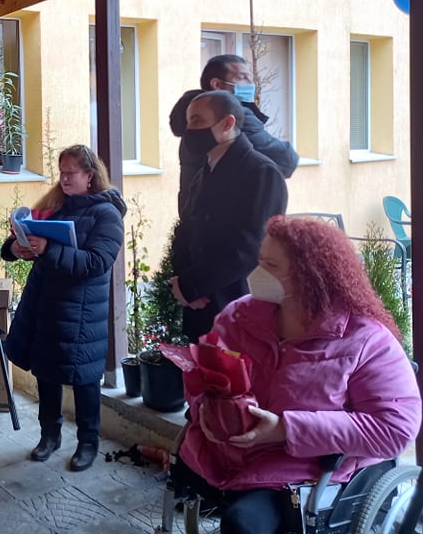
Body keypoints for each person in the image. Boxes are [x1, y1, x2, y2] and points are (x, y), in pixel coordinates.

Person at [174, 215, 422, 534]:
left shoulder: (367, 340)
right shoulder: (237, 316)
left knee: (242, 524)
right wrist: (207, 412)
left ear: (309, 276)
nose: (257, 273)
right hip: (223, 453)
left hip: (300, 469)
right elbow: (203, 374)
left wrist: (286, 429)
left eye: (271, 266)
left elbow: (395, 429)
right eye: (260, 260)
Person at [0, 144, 125, 473]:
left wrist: (49, 249)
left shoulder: (107, 214)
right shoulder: (55, 204)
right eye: (62, 172)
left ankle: (88, 442)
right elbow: (22, 239)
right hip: (45, 304)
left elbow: (97, 262)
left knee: (85, 379)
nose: (65, 179)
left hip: (82, 311)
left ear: (90, 175)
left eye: (72, 173)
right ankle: (49, 435)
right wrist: (17, 247)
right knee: (46, 372)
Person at [171, 91, 287, 342]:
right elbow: (186, 230)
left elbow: (251, 246)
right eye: (189, 121)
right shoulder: (206, 170)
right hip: (200, 307)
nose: (190, 130)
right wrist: (183, 284)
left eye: (198, 121)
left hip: (236, 308)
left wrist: (193, 285)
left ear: (227, 123)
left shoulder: (261, 173)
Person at [170, 54, 298, 214]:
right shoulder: (236, 115)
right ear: (217, 84)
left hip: (195, 213)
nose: (250, 83)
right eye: (242, 77)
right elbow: (286, 160)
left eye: (250, 77)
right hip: (229, 214)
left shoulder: (192, 114)